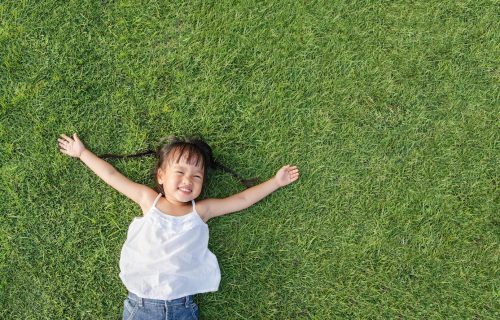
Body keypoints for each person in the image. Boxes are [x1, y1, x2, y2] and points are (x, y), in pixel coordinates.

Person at [58, 133, 300, 320]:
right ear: (161, 176)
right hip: (142, 305)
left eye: (197, 176)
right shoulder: (148, 200)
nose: (188, 180)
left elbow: (241, 200)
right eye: (180, 172)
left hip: (182, 306)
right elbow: (111, 175)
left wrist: (275, 182)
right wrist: (82, 153)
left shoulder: (202, 211)